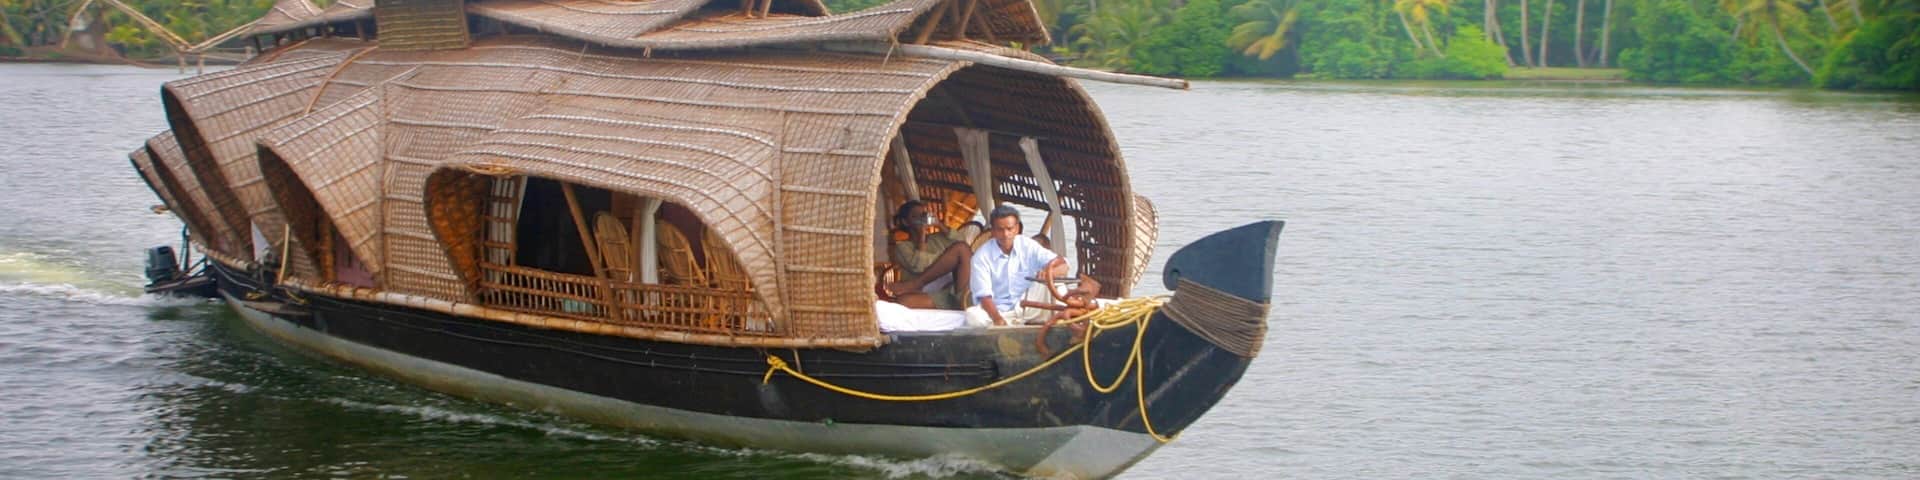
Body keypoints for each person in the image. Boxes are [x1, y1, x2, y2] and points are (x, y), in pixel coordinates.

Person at [966, 205, 1069, 327]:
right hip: (1000, 312)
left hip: (1029, 307)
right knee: (972, 316)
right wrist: (998, 320)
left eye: (1009, 229)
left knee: (1058, 284)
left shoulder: (1027, 245)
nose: (1005, 234)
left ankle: (1063, 323)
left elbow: (1063, 264)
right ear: (992, 231)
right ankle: (1012, 323)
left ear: (1017, 228)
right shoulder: (981, 256)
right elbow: (984, 296)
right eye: (1000, 230)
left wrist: (1049, 272)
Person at [886, 200, 974, 310]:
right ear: (905, 222)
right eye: (915, 216)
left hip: (952, 290)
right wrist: (922, 236)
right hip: (936, 296)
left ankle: (916, 283)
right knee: (901, 302)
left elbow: (964, 247)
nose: (920, 219)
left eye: (923, 215)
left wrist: (939, 225)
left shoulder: (938, 238)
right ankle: (958, 304)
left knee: (961, 248)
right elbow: (919, 266)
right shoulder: (902, 247)